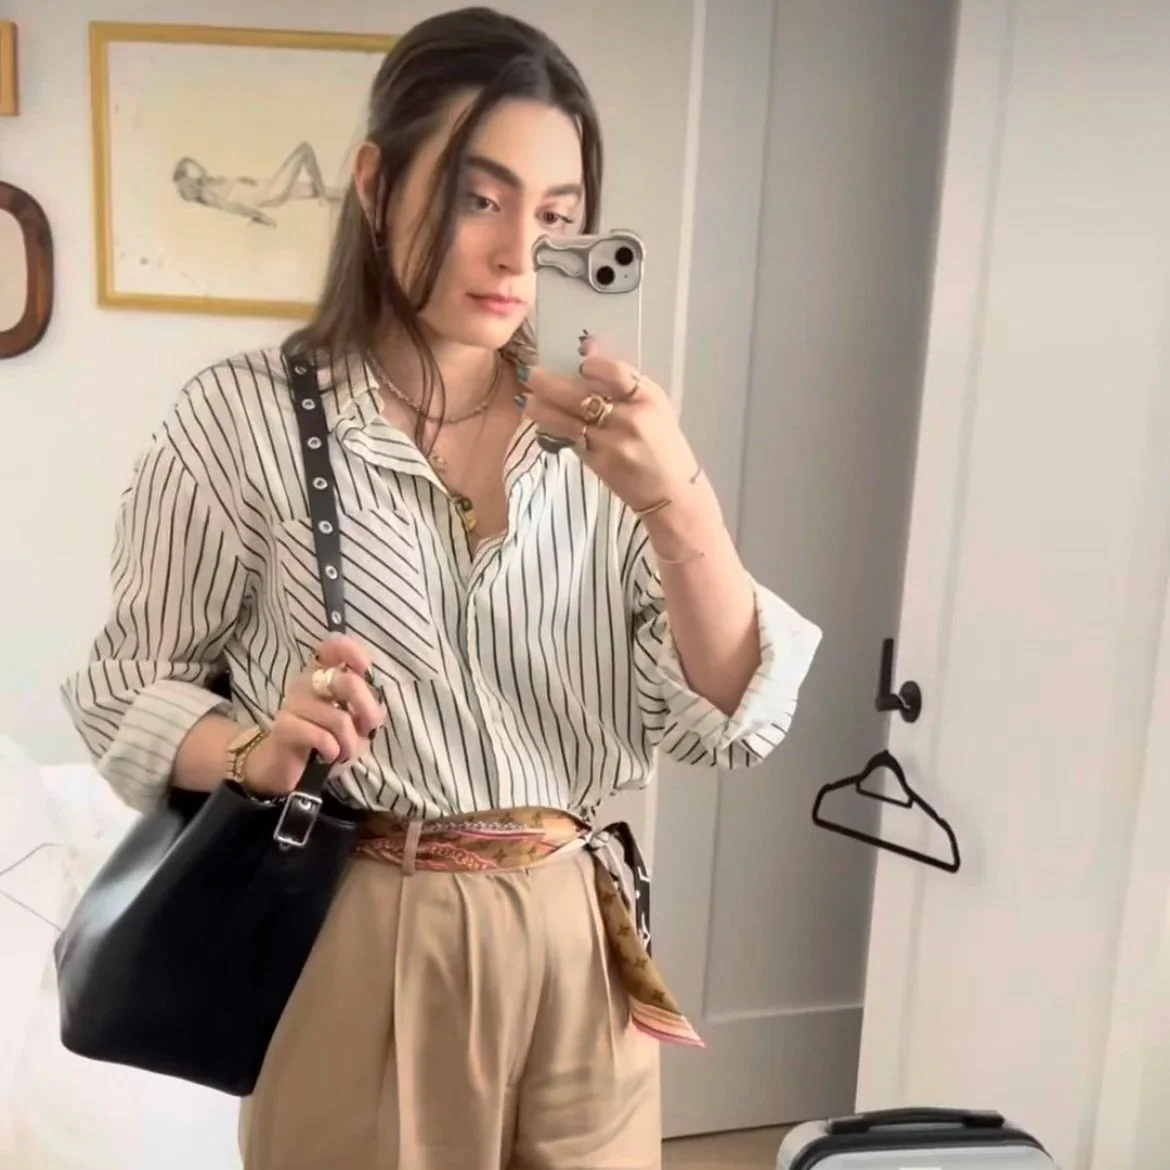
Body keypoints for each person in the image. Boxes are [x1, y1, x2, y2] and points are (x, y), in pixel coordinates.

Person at [63, 8, 821, 1169]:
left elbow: (722, 718)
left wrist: (685, 505)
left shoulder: (610, 446)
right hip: (365, 927)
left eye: (554, 215)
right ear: (375, 184)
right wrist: (254, 748)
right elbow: (121, 687)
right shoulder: (242, 418)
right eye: (480, 198)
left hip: (581, 935)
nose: (520, 254)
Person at [172, 142, 344, 227]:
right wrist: (261, 217)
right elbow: (232, 206)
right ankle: (323, 198)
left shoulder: (209, 183)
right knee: (305, 150)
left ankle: (330, 196)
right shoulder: (207, 194)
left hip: (268, 187)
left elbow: (233, 190)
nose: (198, 168)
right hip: (272, 191)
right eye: (192, 170)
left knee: (337, 193)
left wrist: (242, 180)